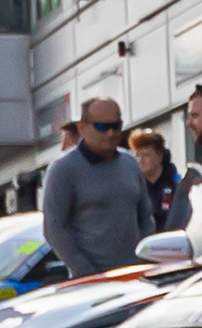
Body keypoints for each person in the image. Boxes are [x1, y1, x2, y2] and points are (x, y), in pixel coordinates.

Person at [40, 96, 152, 275]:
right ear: (82, 128)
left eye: (116, 126)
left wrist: (145, 258)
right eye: (102, 127)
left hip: (135, 274)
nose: (111, 133)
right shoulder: (63, 169)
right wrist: (84, 270)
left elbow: (146, 217)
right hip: (91, 280)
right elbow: (54, 228)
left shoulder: (131, 164)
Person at [126, 124, 181, 232]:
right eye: (137, 155)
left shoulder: (175, 183)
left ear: (160, 156)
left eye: (146, 155)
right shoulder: (134, 186)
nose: (140, 160)